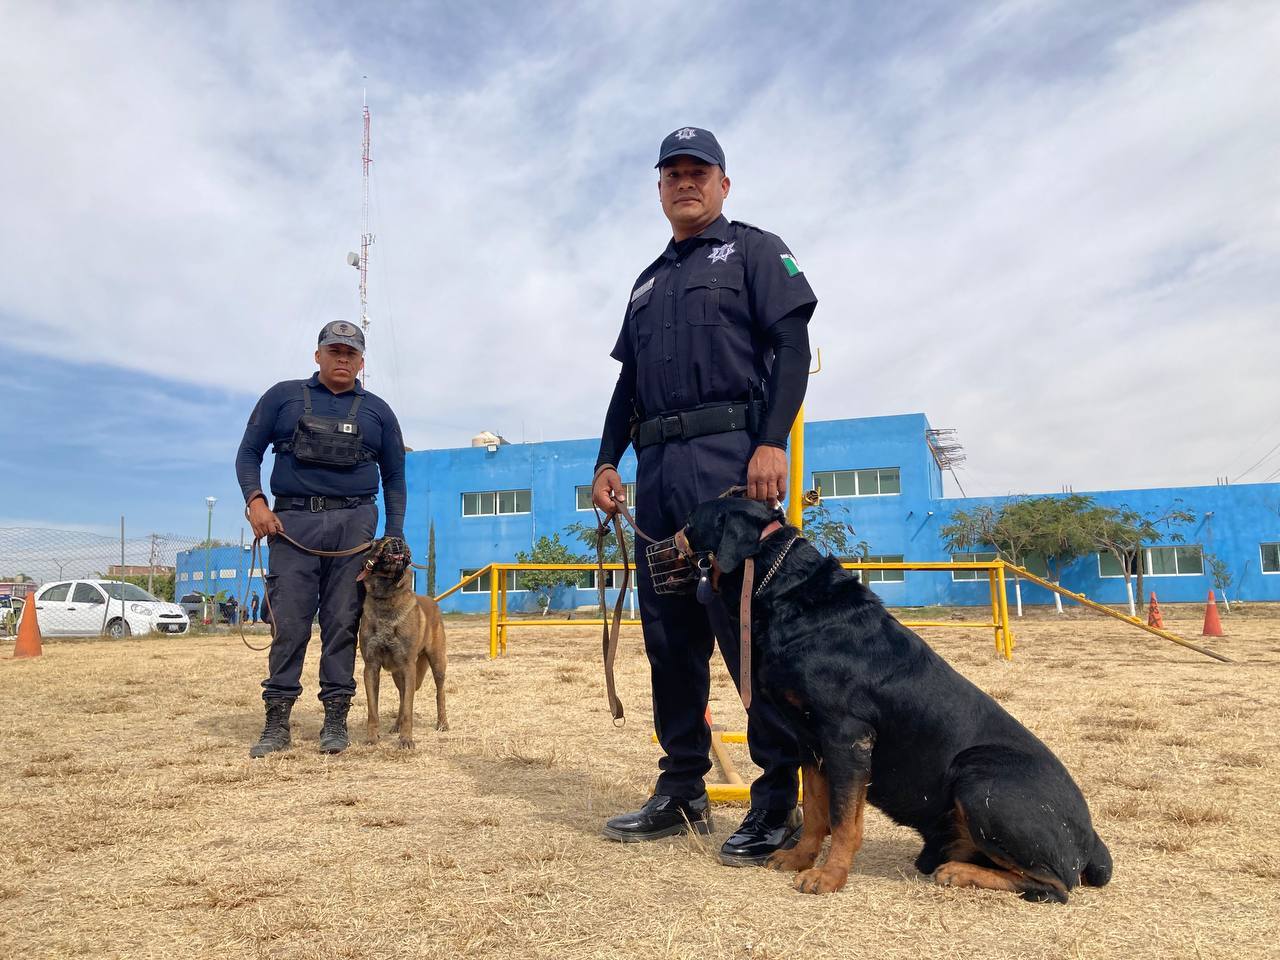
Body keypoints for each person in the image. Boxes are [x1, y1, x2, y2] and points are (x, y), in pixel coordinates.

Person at [592, 127, 817, 866]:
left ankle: (778, 799)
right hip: (657, 472)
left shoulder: (753, 250)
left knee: (746, 628)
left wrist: (771, 441)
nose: (685, 182)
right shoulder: (645, 282)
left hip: (729, 461)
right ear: (659, 189)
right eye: (672, 173)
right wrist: (606, 463)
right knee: (668, 633)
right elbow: (627, 386)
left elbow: (791, 349)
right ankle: (682, 787)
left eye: (699, 171)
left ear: (723, 183)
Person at [235, 320, 406, 757]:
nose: (342, 359)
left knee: (342, 623)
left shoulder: (379, 411)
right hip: (291, 525)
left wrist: (395, 535)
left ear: (362, 361)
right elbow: (248, 453)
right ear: (318, 355)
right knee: (289, 624)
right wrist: (256, 501)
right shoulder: (283, 397)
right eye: (334, 351)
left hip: (354, 527)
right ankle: (276, 723)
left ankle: (335, 720)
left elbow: (395, 477)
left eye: (351, 353)